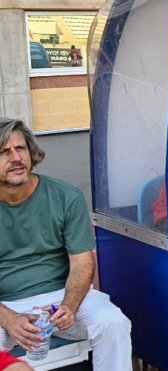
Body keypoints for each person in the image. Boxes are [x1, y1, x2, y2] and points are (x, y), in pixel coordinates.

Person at [0, 118, 132, 371]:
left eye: (21, 149)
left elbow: (82, 261)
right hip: (5, 302)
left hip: (61, 295)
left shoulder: (65, 196)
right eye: (5, 152)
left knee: (112, 322)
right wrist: (8, 318)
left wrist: (68, 306)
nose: (16, 157)